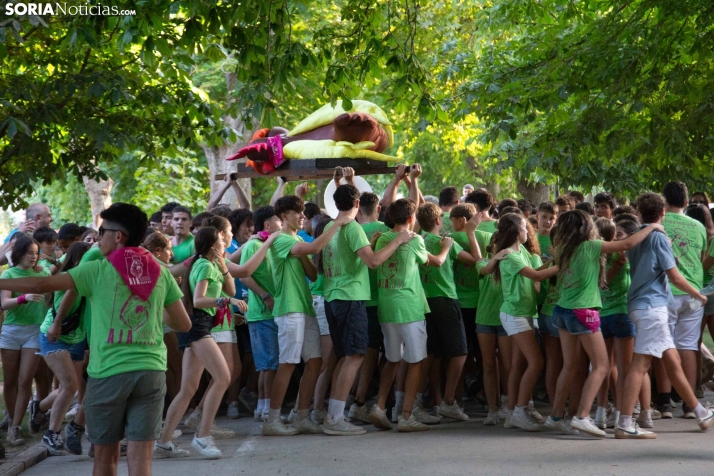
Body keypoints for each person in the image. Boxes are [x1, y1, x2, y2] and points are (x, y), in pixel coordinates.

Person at [0, 203, 192, 476]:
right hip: (151, 372)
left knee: (105, 460)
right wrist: (151, 311)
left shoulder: (97, 270)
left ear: (118, 236)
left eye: (102, 231)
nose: (98, 237)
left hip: (109, 373)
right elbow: (183, 322)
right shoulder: (159, 271)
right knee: (141, 463)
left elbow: (41, 285)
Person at [546, 210, 664, 437]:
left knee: (569, 365)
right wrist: (652, 227)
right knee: (601, 365)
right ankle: (582, 416)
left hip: (561, 311)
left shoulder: (562, 249)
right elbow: (628, 243)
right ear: (585, 227)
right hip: (583, 311)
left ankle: (556, 416)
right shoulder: (590, 246)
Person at [156, 224, 270, 459]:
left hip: (200, 326)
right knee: (224, 376)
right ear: (211, 245)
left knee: (189, 388)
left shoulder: (212, 265)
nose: (224, 241)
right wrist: (225, 303)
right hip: (198, 325)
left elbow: (230, 289)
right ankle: (203, 436)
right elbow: (198, 300)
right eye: (220, 239)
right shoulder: (204, 265)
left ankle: (164, 441)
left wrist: (223, 267)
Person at [615, 192, 714, 438]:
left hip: (644, 305)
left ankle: (700, 412)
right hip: (652, 307)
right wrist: (698, 294)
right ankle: (625, 423)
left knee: (673, 363)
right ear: (662, 213)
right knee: (640, 365)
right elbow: (675, 275)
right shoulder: (658, 236)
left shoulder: (639, 233)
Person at [321, 182, 416, 436]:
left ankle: (333, 414)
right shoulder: (352, 227)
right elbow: (373, 262)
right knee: (355, 356)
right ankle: (335, 419)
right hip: (350, 297)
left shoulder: (332, 226)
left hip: (333, 296)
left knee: (346, 357)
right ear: (356, 204)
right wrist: (397, 241)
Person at [262, 195, 351, 436]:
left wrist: (302, 253)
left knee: (315, 361)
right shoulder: (280, 239)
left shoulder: (294, 240)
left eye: (302, 211)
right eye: (297, 212)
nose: (302, 216)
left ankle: (302, 416)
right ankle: (272, 420)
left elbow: (312, 275)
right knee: (288, 363)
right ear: (284, 217)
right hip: (289, 309)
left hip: (304, 307)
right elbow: (314, 247)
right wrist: (336, 224)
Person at [368, 198, 453, 432]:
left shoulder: (382, 238)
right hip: (410, 307)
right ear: (410, 218)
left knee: (393, 360)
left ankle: (380, 406)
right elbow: (435, 262)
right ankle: (406, 415)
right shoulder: (414, 240)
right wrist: (446, 247)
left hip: (387, 307)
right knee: (416, 361)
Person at [479, 213, 558, 431]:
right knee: (537, 362)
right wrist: (565, 263)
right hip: (514, 314)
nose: (528, 230)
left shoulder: (520, 251)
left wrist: (554, 261)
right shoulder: (510, 256)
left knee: (518, 364)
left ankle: (514, 411)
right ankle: (521, 409)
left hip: (522, 312)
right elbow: (537, 276)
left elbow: (535, 272)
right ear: (515, 231)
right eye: (524, 227)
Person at [416, 202, 482, 421]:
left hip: (424, 301)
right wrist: (471, 235)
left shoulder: (419, 241)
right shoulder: (447, 243)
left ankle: (430, 401)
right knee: (460, 352)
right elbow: (476, 261)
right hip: (446, 299)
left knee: (433, 354)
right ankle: (449, 401)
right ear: (437, 221)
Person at [654, 181, 708, 419]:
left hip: (665, 292)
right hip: (694, 294)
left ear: (664, 202)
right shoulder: (698, 226)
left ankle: (664, 403)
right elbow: (702, 257)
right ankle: (689, 405)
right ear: (686, 202)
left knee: (664, 345)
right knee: (688, 345)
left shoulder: (657, 225)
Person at [36, 242, 91, 455]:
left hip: (77, 338)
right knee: (69, 386)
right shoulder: (69, 278)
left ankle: (39, 407)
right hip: (54, 335)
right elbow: (67, 301)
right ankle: (51, 433)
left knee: (71, 387)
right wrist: (57, 323)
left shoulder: (90, 277)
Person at [0, 235, 50, 446]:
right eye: (29, 253)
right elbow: (4, 303)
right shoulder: (9, 274)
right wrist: (24, 298)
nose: (33, 257)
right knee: (10, 382)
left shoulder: (42, 273)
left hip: (34, 331)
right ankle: (12, 420)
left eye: (36, 253)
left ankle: (15, 428)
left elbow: (51, 296)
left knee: (24, 381)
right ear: (19, 253)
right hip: (11, 331)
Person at [349, 192, 392, 423]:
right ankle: (360, 401)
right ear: (377, 207)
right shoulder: (386, 230)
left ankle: (357, 399)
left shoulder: (349, 228)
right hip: (382, 298)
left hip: (357, 298)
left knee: (360, 354)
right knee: (377, 352)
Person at [238, 206, 282, 422]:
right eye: (277, 219)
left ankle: (264, 406)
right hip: (262, 313)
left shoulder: (265, 244)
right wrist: (266, 296)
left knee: (269, 363)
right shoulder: (254, 245)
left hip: (269, 313)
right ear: (267, 224)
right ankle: (265, 408)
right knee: (269, 364)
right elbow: (245, 276)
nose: (280, 223)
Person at [141, 232, 183, 405]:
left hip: (155, 323)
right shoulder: (151, 263)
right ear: (157, 251)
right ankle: (182, 409)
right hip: (162, 323)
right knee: (178, 367)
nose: (171, 254)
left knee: (169, 370)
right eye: (169, 250)